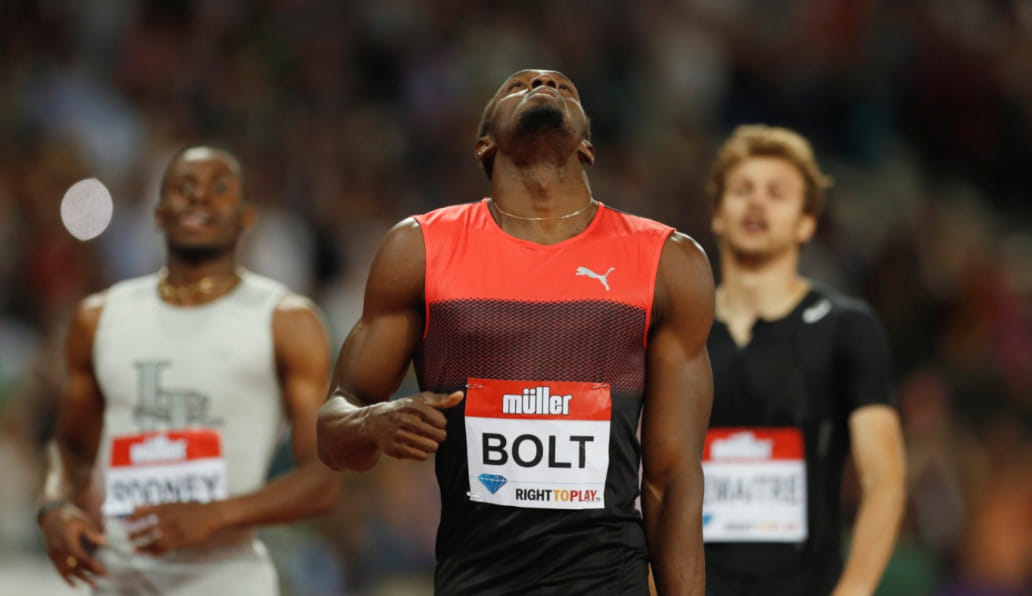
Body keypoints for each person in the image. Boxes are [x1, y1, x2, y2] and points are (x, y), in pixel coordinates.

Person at [317, 68, 715, 594]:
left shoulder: (667, 262)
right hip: (476, 582)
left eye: (564, 87)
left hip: (607, 581)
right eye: (518, 86)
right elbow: (332, 433)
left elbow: (673, 479)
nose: (544, 85)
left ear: (587, 146)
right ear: (484, 144)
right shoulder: (420, 250)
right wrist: (373, 422)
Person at [37, 146, 340, 594]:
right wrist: (54, 505)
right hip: (117, 578)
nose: (200, 197)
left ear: (247, 217)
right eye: (184, 187)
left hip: (225, 578)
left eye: (219, 189)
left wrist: (216, 513)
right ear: (158, 213)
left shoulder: (286, 322)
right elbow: (71, 447)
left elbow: (324, 477)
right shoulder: (99, 318)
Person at [700, 125, 906, 595]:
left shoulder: (847, 327)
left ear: (806, 223)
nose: (757, 203)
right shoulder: (680, 330)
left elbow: (884, 477)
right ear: (717, 213)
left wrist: (854, 589)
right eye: (743, 190)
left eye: (777, 193)